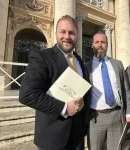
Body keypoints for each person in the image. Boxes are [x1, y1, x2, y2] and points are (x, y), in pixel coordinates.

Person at [19, 15, 89, 150]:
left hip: (77, 137)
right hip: (52, 138)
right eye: (63, 32)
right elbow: (27, 94)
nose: (67, 36)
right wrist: (64, 108)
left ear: (77, 36)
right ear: (56, 33)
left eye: (72, 33)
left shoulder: (80, 61)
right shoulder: (42, 56)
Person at [85, 31, 130, 150]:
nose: (100, 45)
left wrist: (129, 113)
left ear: (107, 45)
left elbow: (126, 90)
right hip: (95, 118)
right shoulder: (86, 67)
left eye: (103, 42)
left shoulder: (117, 64)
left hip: (116, 115)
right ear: (92, 45)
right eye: (97, 42)